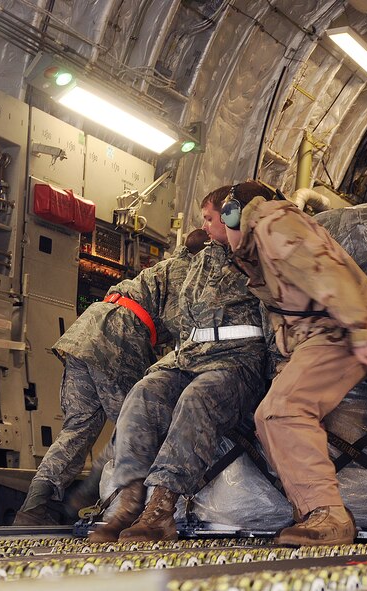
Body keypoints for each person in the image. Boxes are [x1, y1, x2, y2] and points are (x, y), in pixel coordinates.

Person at [221, 180, 367, 546]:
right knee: (267, 415)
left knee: (283, 411)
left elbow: (324, 273)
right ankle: (311, 511)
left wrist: (360, 327)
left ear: (234, 214)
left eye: (216, 219)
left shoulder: (274, 223)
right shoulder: (262, 241)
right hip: (326, 332)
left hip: (341, 329)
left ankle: (329, 516)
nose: (214, 231)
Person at [88, 189, 267, 543]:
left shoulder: (262, 253)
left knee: (197, 399)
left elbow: (277, 312)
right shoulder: (204, 259)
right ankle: (129, 502)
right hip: (192, 355)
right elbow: (183, 314)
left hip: (239, 359)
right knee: (143, 394)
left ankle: (161, 508)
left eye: (211, 217)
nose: (204, 224)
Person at [13, 229, 208, 526]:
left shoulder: (163, 267)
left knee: (77, 429)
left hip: (87, 330)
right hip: (119, 333)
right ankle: (87, 496)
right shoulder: (187, 268)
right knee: (137, 421)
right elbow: (182, 324)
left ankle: (33, 510)